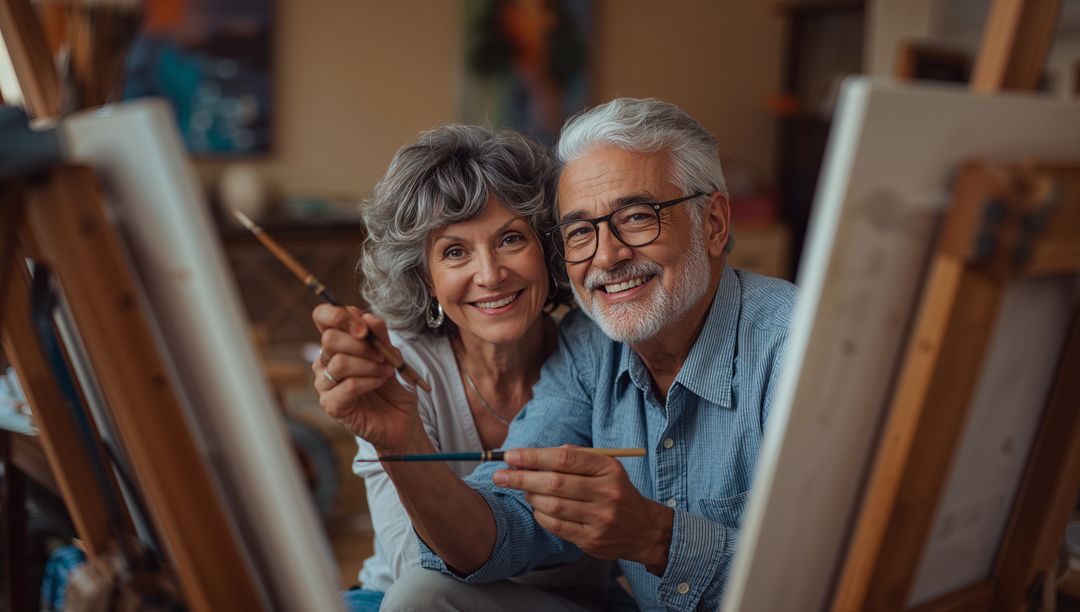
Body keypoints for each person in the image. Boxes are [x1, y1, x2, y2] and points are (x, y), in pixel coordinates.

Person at [329, 98, 797, 612]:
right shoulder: (589, 345)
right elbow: (502, 526)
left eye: (637, 217)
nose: (608, 254)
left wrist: (655, 538)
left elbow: (839, 577)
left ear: (713, 224)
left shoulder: (795, 349)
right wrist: (402, 443)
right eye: (580, 231)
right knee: (423, 594)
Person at [310, 125, 611, 611]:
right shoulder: (395, 369)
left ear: (548, 247)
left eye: (511, 239)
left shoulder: (596, 351)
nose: (490, 275)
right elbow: (415, 570)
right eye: (455, 251)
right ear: (425, 277)